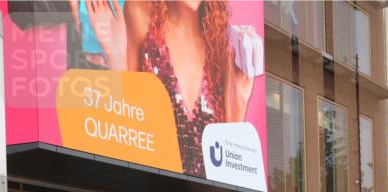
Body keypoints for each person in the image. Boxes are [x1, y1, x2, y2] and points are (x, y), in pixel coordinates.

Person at [88, 0, 261, 178]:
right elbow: (126, 121)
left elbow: (228, 167)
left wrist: (240, 99)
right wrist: (115, 54)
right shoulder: (139, 14)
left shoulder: (219, 51)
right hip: (148, 191)